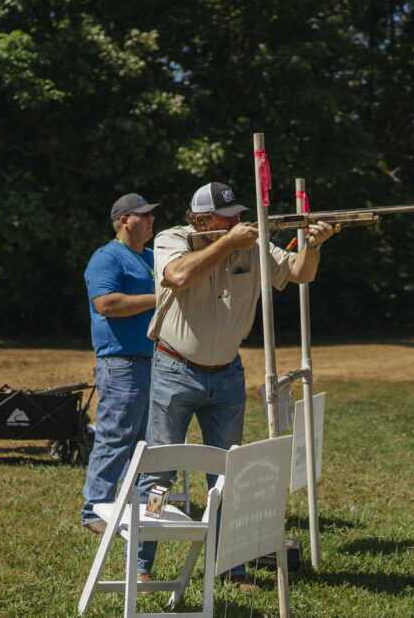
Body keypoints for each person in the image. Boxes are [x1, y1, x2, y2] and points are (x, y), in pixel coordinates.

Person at [137, 181, 339, 587]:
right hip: (175, 369)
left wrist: (313, 244)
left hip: (227, 374)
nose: (238, 222)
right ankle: (142, 565)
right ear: (201, 220)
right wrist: (228, 243)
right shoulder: (173, 239)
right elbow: (177, 276)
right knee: (158, 474)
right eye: (226, 217)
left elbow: (299, 274)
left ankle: (231, 566)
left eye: (238, 215)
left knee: (228, 476)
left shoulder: (251, 243)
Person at [80, 193, 160, 534]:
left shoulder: (153, 257)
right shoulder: (107, 258)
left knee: (150, 441)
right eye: (143, 215)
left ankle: (142, 507)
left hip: (154, 360)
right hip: (121, 363)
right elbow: (107, 304)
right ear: (123, 221)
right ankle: (94, 510)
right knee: (115, 436)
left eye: (151, 215)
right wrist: (161, 298)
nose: (151, 219)